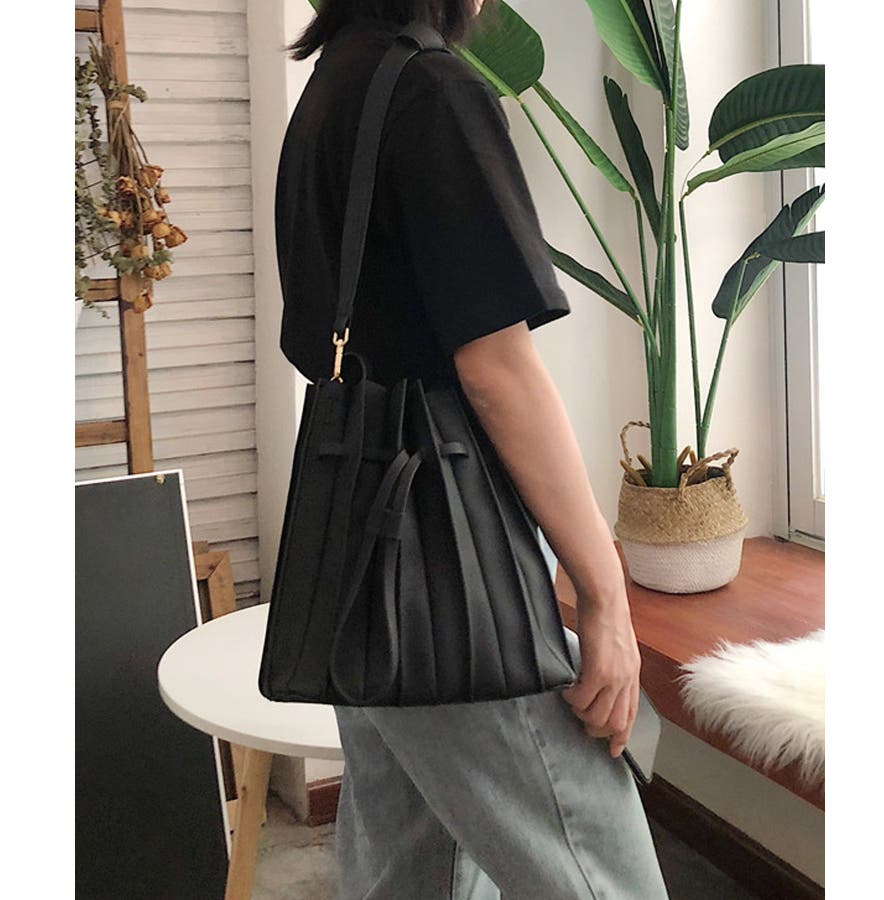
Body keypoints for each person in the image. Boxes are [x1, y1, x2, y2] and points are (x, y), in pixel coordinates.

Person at [275, 1, 668, 897]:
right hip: (454, 554)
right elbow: (497, 371)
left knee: (408, 866)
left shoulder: (333, 85)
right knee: (598, 869)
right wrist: (604, 593)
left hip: (357, 541)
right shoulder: (434, 92)